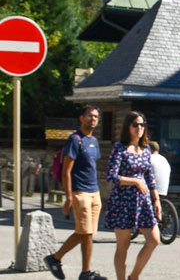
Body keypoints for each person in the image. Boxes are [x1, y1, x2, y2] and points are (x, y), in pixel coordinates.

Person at [45, 106, 106, 280]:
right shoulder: (74, 140)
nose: (93, 119)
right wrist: (69, 197)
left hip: (94, 192)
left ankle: (55, 258)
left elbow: (91, 167)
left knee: (85, 232)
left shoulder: (93, 140)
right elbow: (66, 170)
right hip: (80, 192)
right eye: (89, 116)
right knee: (85, 233)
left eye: (96, 117)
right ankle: (86, 273)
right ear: (81, 118)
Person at [104, 112, 161, 280]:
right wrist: (135, 182)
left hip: (143, 202)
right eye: (135, 125)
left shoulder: (146, 149)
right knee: (123, 245)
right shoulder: (119, 148)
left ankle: (134, 276)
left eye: (142, 125)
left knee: (154, 240)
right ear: (127, 127)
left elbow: (149, 176)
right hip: (122, 202)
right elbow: (111, 176)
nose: (139, 128)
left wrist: (156, 199)